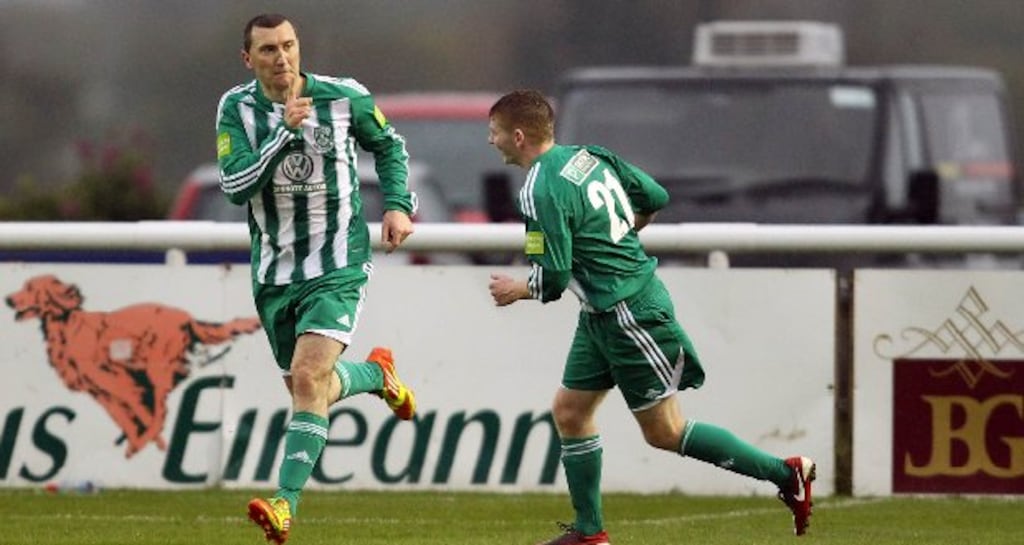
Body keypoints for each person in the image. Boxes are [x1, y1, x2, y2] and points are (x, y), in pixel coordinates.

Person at [486, 89, 816, 545]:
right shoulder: (589, 155)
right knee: (570, 411)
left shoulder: (539, 189)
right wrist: (622, 227)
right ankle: (589, 533)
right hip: (601, 313)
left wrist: (517, 289)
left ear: (518, 136)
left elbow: (554, 278)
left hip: (628, 315)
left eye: (494, 132)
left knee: (665, 431)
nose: (491, 141)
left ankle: (786, 473)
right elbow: (655, 195)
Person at [215, 13, 418, 544]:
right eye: (267, 51)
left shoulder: (343, 96)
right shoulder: (236, 109)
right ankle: (377, 376)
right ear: (248, 59)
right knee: (311, 388)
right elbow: (235, 185)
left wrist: (397, 205)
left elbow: (390, 145)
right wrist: (281, 135)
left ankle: (284, 505)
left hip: (337, 262)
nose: (281, 58)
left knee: (307, 379)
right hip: (274, 271)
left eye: (288, 46)